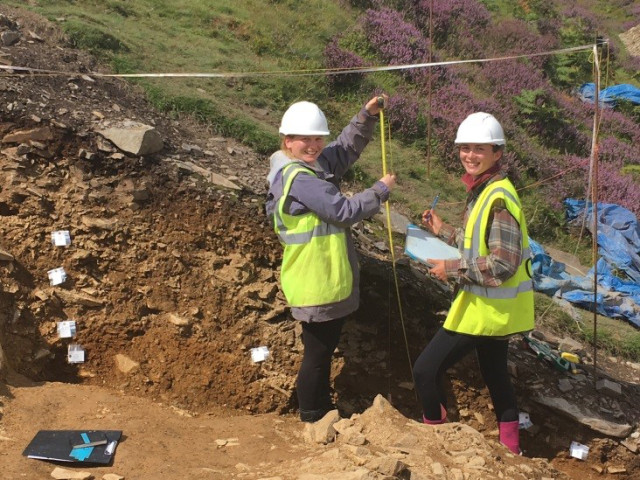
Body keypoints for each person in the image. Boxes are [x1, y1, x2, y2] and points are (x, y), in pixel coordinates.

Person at [266, 96, 396, 423]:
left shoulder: (309, 164)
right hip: (316, 282)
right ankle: (312, 416)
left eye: (317, 138)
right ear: (288, 141)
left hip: (323, 280)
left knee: (320, 353)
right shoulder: (301, 180)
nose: (313, 146)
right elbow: (343, 211)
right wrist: (378, 191)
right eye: (304, 139)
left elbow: (342, 150)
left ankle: (321, 410)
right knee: (318, 355)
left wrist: (366, 116)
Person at [413, 112, 534, 454]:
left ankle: (436, 440)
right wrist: (443, 230)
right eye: (464, 148)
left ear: (498, 153)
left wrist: (450, 268)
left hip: (482, 309)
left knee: (424, 370)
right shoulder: (486, 189)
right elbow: (476, 242)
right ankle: (511, 449)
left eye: (479, 148)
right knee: (495, 375)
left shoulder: (498, 200)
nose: (470, 155)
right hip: (494, 309)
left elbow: (503, 264)